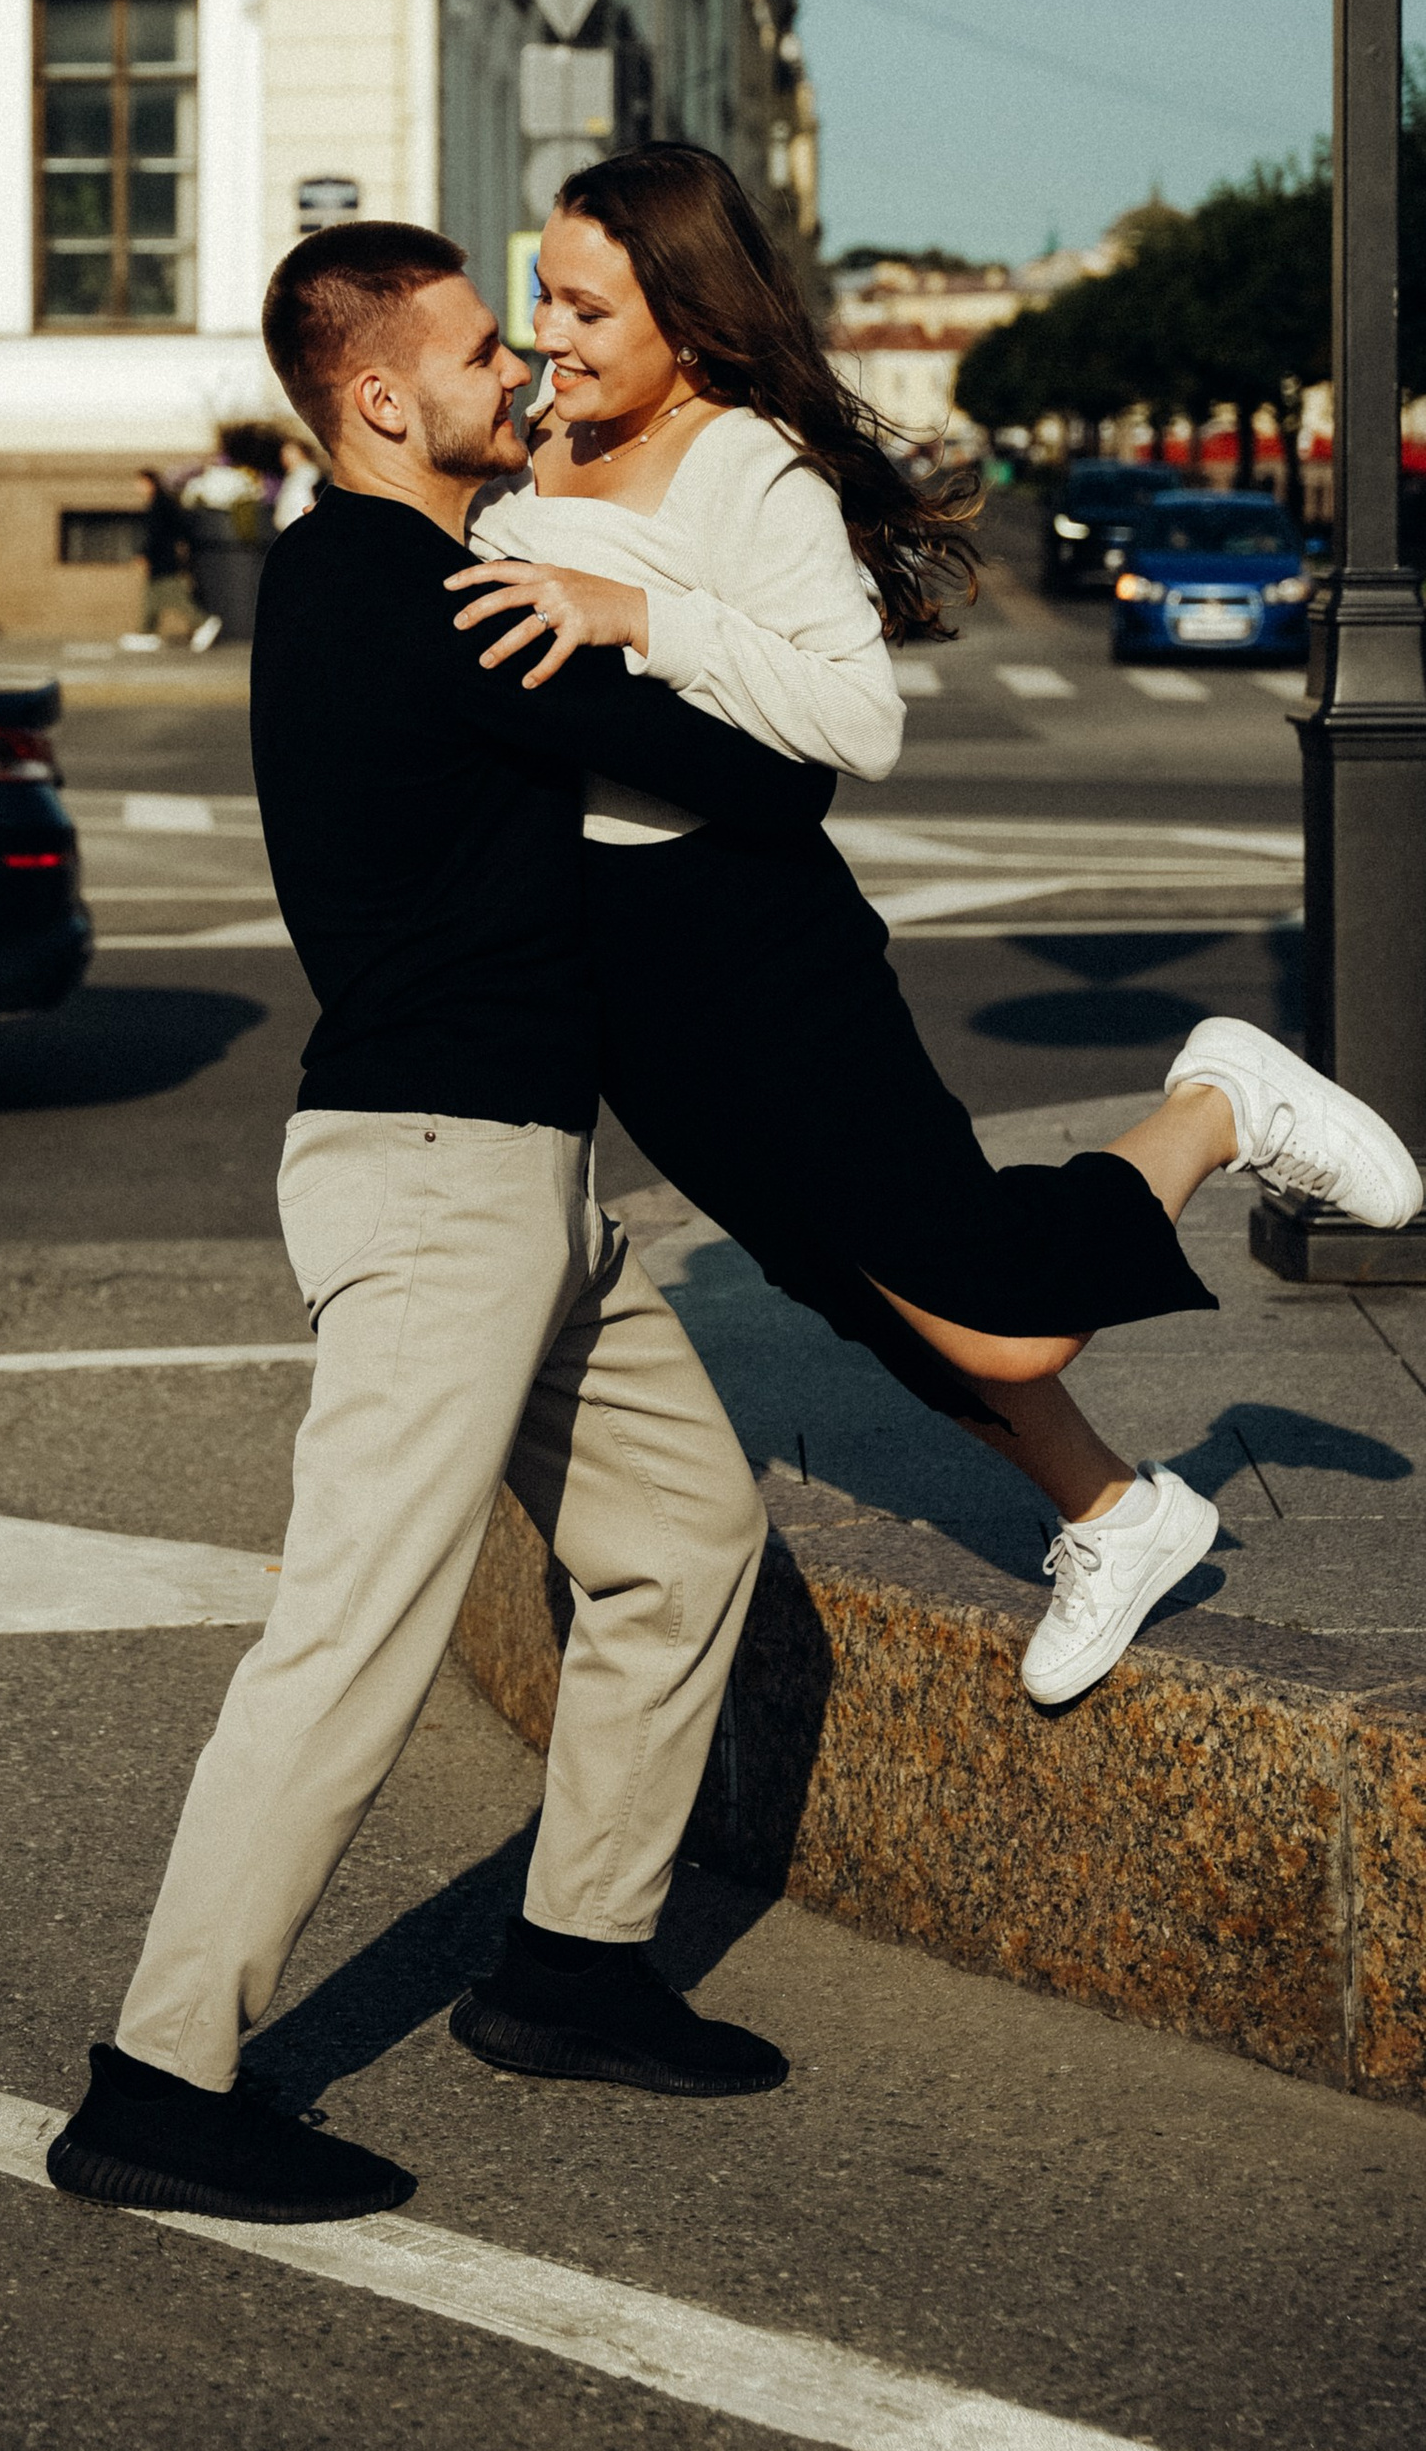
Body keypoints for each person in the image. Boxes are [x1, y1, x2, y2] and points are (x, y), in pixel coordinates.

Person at [46, 223, 833, 2230]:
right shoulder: (413, 591)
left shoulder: (419, 576)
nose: (524, 374)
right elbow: (756, 776)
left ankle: (571, 1967)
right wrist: (644, 599)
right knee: (351, 1633)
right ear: (382, 399)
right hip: (435, 1175)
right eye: (486, 352)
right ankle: (158, 2081)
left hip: (525, 1175)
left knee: (682, 1542)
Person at [445, 142, 1420, 1709]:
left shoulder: (745, 467)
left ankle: (1219, 1106)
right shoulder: (541, 446)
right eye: (543, 295)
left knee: (1001, 1315)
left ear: (687, 319)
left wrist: (643, 614)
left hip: (755, 945)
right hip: (618, 964)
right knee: (856, 1293)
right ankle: (1115, 1511)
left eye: (586, 307)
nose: (548, 330)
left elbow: (859, 720)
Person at [121, 465, 196, 651]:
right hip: (163, 557)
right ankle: (146, 632)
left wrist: (145, 554)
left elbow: (155, 534)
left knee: (173, 595)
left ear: (150, 483)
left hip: (163, 558)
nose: (137, 487)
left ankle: (203, 622)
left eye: (140, 483)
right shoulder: (161, 502)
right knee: (152, 596)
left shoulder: (159, 504)